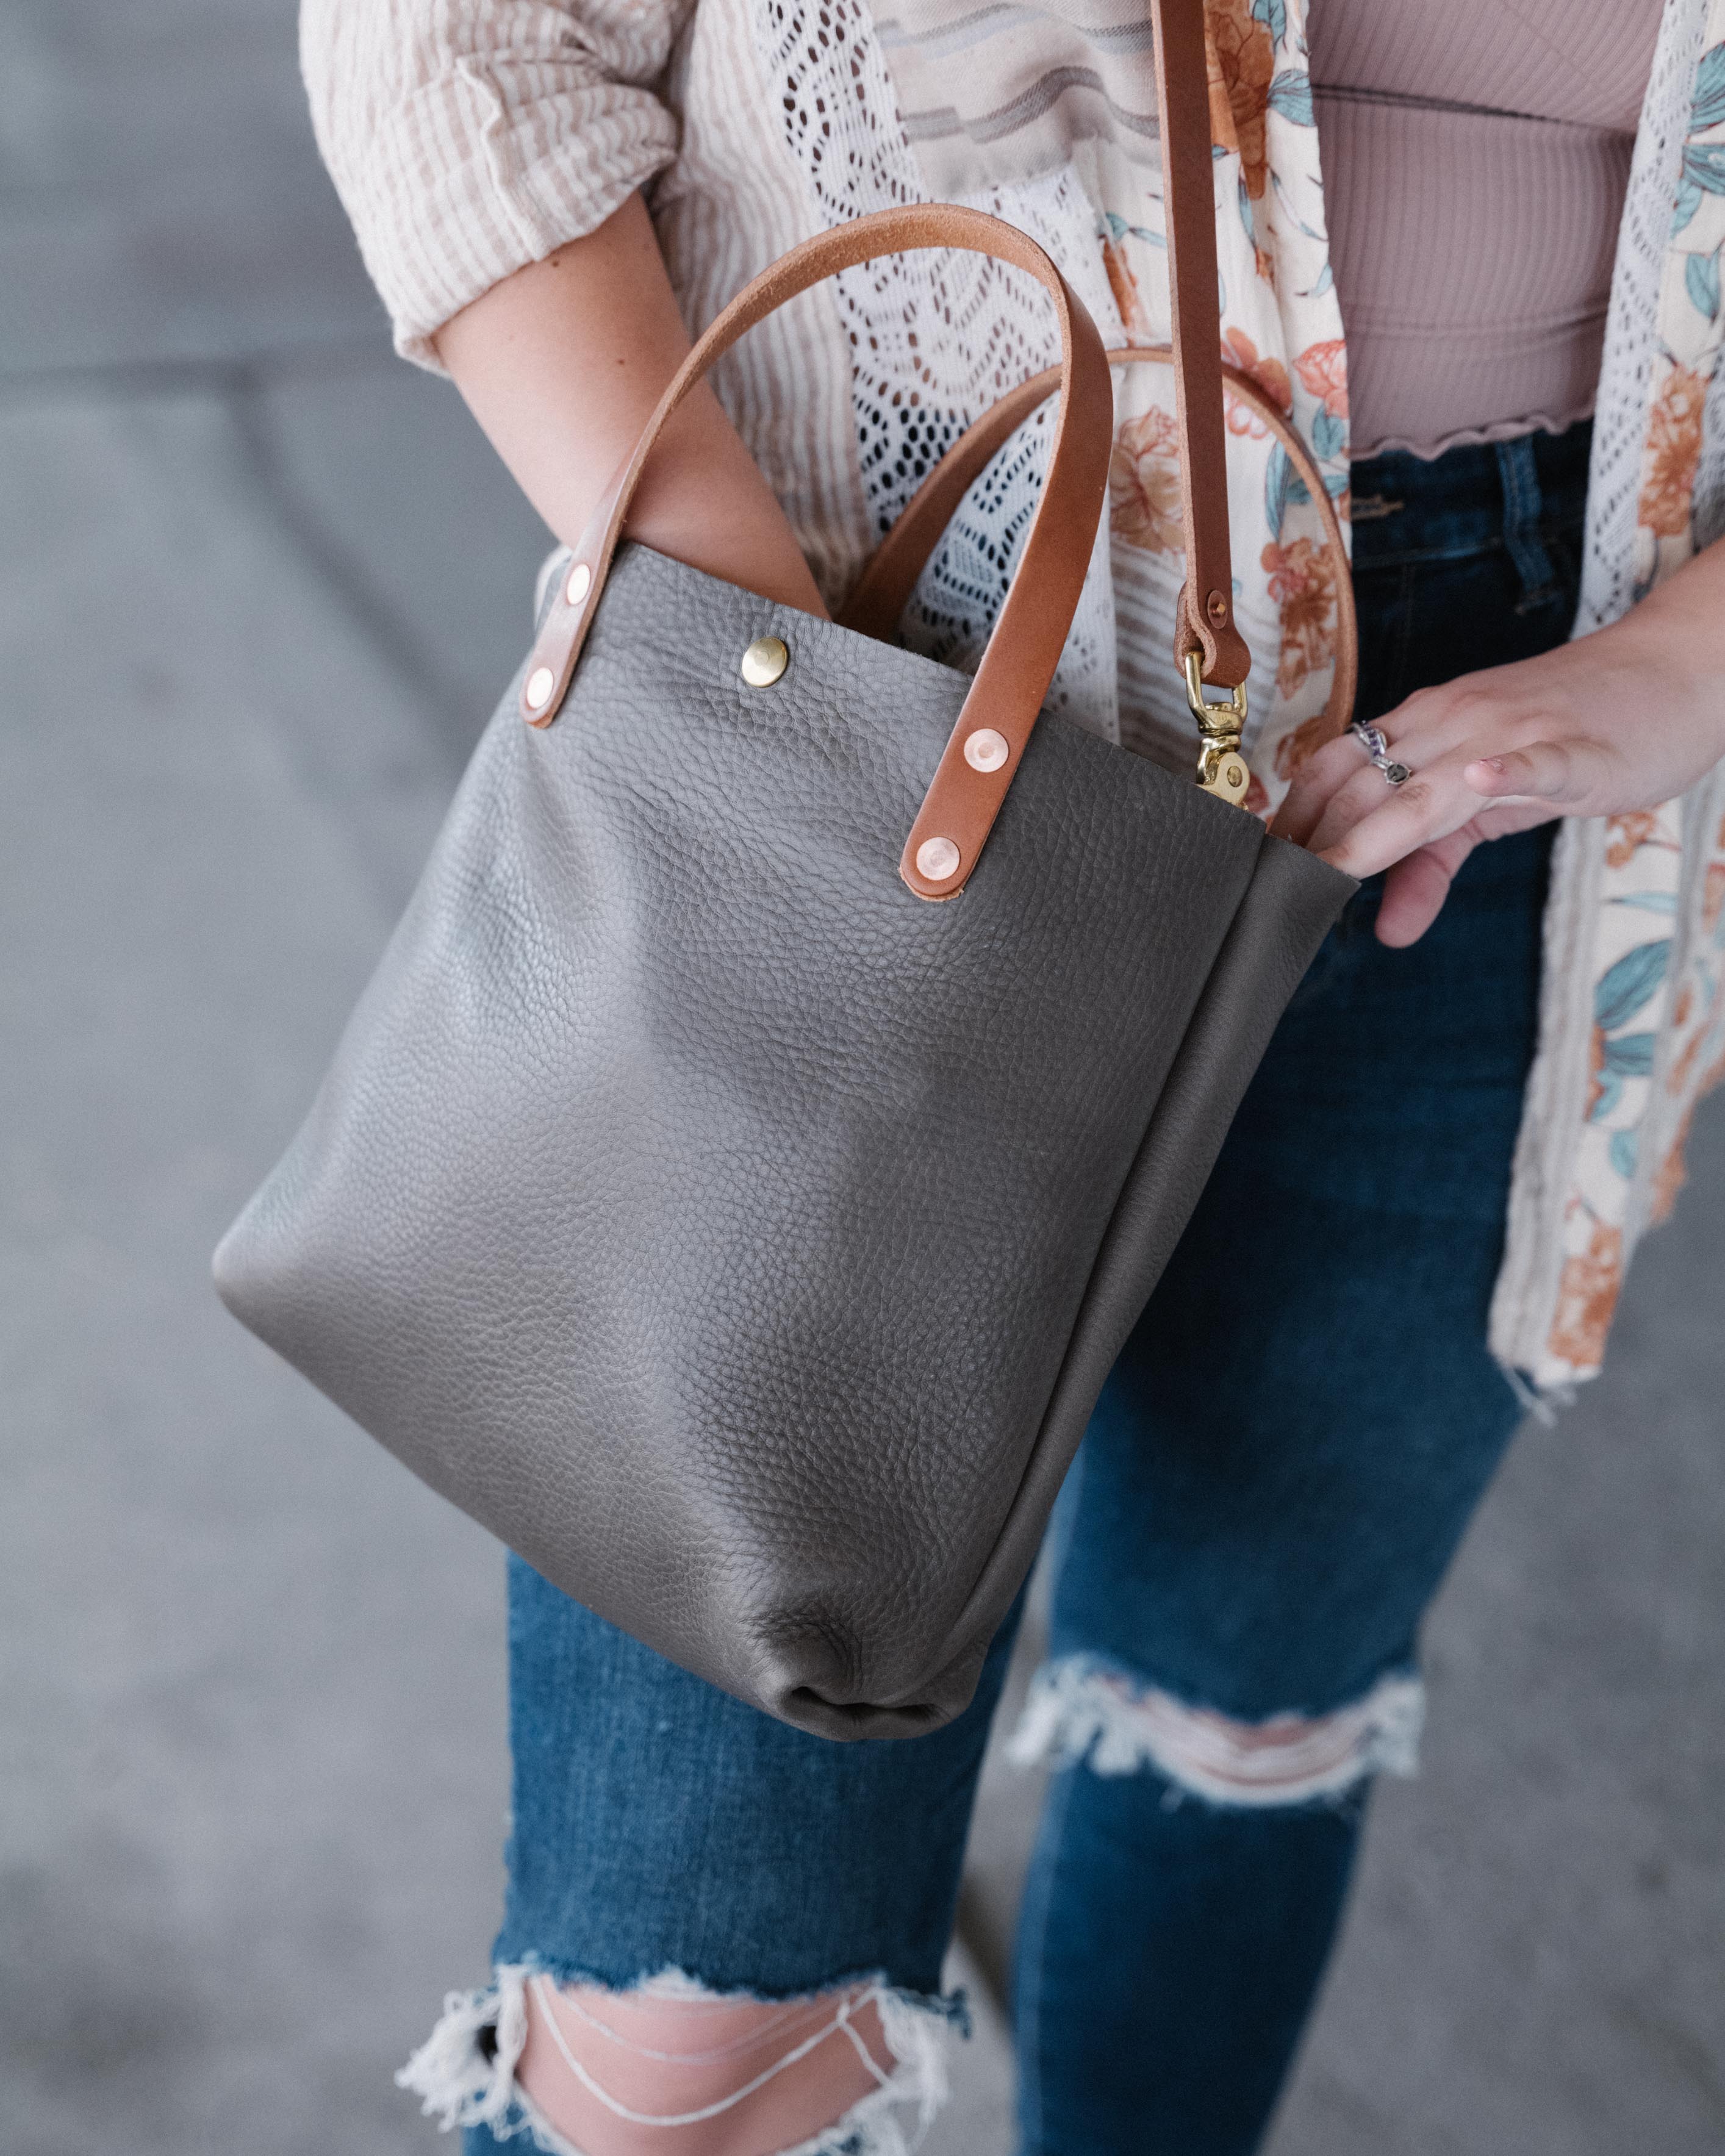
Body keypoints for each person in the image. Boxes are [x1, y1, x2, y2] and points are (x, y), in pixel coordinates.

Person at [303, 0, 1725, 2149]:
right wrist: (764, 692)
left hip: (1517, 792)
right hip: (876, 676)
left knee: (1238, 1724)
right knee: (684, 2041)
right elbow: (454, 55)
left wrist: (1675, 669)